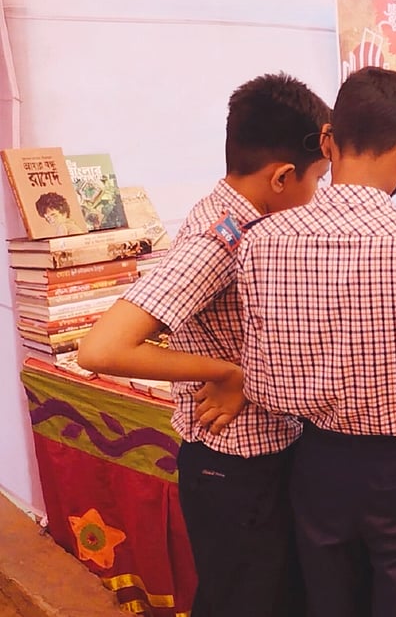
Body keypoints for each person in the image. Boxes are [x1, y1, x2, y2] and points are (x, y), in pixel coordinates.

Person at [77, 72, 332, 617]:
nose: (319, 195)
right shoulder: (220, 240)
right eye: (318, 178)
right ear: (282, 176)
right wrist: (225, 373)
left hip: (252, 459)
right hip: (237, 467)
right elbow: (101, 348)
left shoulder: (238, 216)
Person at [236, 67, 396, 617]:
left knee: (329, 602)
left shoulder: (261, 239)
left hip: (314, 459)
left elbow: (260, 377)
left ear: (328, 140)